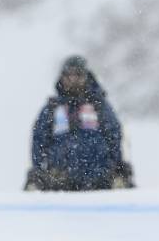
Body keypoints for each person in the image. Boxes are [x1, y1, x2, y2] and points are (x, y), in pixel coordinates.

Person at [25, 55, 134, 191]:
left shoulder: (99, 105)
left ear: (86, 77)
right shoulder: (53, 108)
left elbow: (115, 136)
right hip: (59, 182)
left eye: (78, 75)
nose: (73, 80)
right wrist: (38, 171)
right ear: (62, 78)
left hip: (100, 181)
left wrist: (119, 169)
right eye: (68, 75)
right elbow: (39, 140)